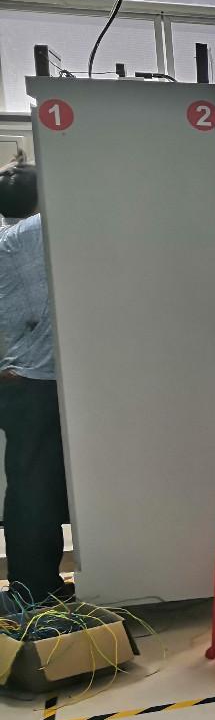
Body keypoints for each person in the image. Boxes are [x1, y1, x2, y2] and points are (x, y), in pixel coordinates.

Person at [0, 160, 71, 614]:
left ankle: (38, 584)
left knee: (32, 483)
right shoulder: (32, 234)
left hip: (17, 381)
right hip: (36, 382)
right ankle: (32, 589)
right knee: (34, 488)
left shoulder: (6, 239)